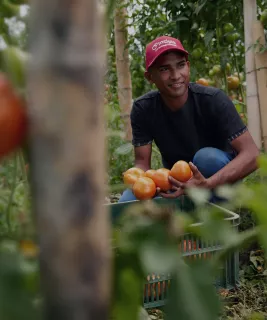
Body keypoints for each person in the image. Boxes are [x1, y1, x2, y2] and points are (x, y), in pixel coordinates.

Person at [118, 35, 259, 203]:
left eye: (181, 65)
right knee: (128, 201)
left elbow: (253, 155)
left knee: (206, 158)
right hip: (177, 182)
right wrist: (141, 180)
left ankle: (216, 207)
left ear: (188, 66)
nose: (176, 75)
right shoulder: (144, 109)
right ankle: (186, 210)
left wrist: (207, 184)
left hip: (218, 179)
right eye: (164, 69)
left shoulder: (213, 99)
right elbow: (142, 163)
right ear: (150, 77)